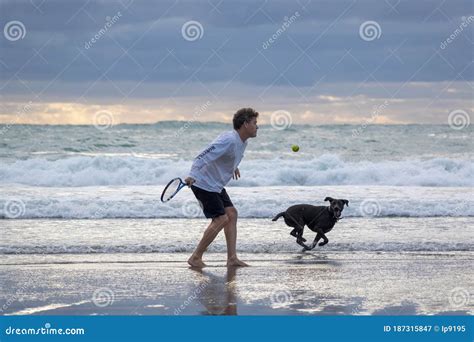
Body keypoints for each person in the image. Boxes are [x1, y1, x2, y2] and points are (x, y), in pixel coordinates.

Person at [185, 108, 259, 268]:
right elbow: (203, 155)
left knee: (231, 213)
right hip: (203, 183)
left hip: (215, 185)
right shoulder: (229, 139)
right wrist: (192, 174)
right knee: (221, 219)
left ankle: (232, 258)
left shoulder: (242, 142)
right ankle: (195, 257)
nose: (257, 127)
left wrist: (233, 166)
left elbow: (228, 156)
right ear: (245, 124)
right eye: (254, 123)